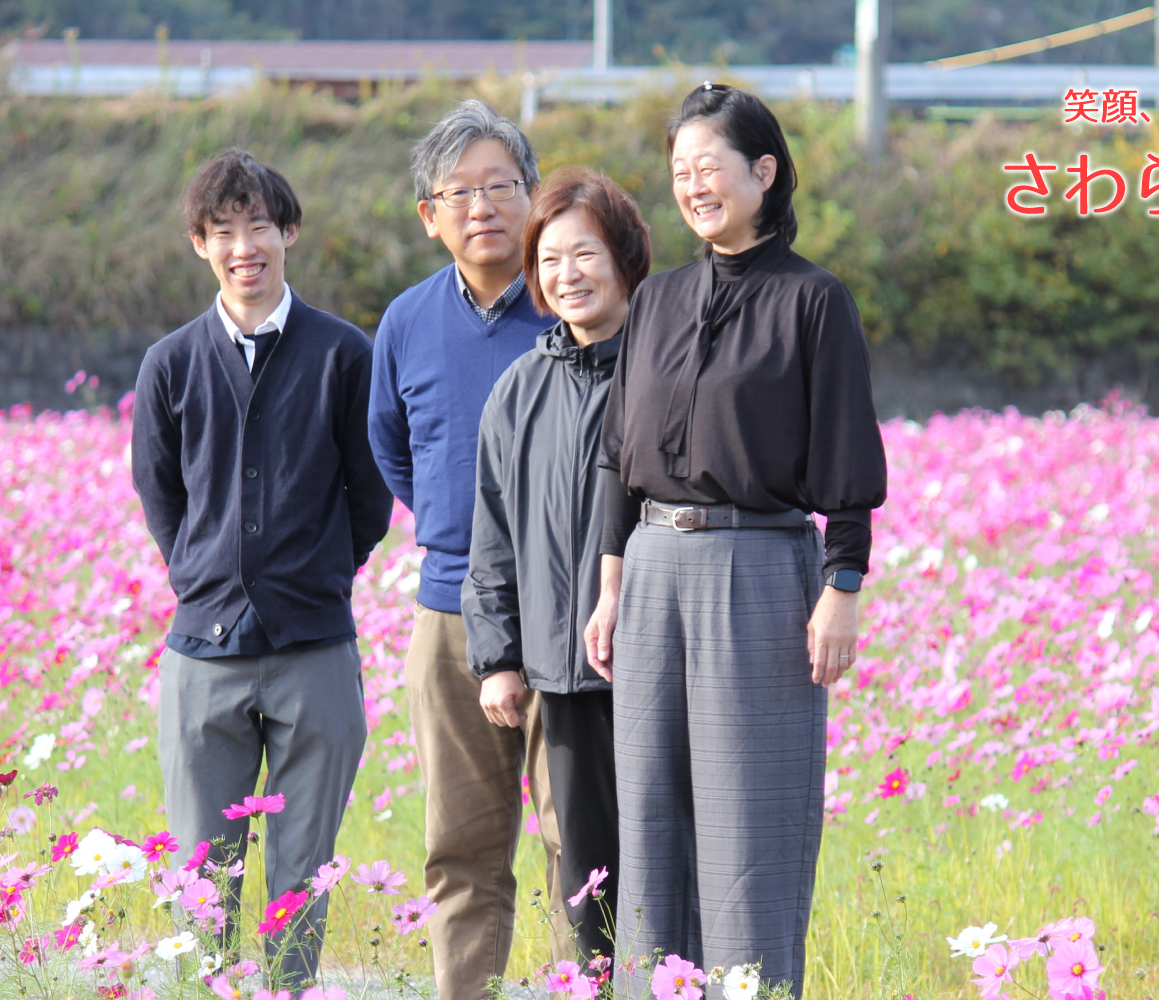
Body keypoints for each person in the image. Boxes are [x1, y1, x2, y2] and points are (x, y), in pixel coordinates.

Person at [584, 83, 888, 999]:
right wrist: (609, 588)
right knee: (652, 814)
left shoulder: (814, 301)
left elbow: (847, 458)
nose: (693, 186)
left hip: (757, 569)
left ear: (764, 171)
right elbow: (615, 460)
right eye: (679, 171)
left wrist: (843, 587)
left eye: (709, 166)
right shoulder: (660, 301)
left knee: (749, 817)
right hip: (652, 569)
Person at [131, 149, 392, 989]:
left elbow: (370, 493)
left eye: (258, 226)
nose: (243, 246)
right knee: (202, 877)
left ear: (289, 233)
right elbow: (161, 494)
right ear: (199, 245)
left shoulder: (345, 355)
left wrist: (314, 574)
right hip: (201, 653)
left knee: (301, 874)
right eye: (222, 231)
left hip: (315, 649)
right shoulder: (170, 363)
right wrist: (205, 576)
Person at [367, 100, 567, 1000]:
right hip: (448, 613)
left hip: (570, 613)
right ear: (429, 214)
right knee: (462, 846)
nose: (483, 206)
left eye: (501, 185)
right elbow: (392, 447)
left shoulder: (573, 299)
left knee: (581, 842)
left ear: (534, 196)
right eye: (461, 191)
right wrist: (462, 532)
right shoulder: (406, 321)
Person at [462, 167, 651, 964]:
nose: (566, 274)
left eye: (585, 254)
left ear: (626, 258)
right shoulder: (520, 387)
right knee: (588, 876)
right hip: (565, 674)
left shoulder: (666, 371)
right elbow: (493, 533)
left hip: (659, 668)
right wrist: (497, 658)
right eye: (549, 259)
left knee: (667, 856)